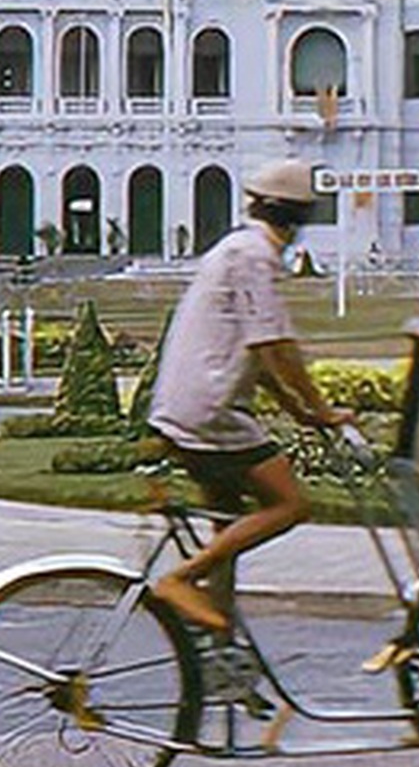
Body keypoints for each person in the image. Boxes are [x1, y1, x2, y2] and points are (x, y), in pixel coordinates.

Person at [148, 158, 351, 636]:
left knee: (229, 524)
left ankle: (222, 639)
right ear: (299, 217)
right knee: (290, 505)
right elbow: (276, 348)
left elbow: (257, 353)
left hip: (189, 403)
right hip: (210, 409)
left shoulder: (236, 247)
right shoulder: (255, 255)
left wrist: (298, 411)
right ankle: (179, 580)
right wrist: (322, 410)